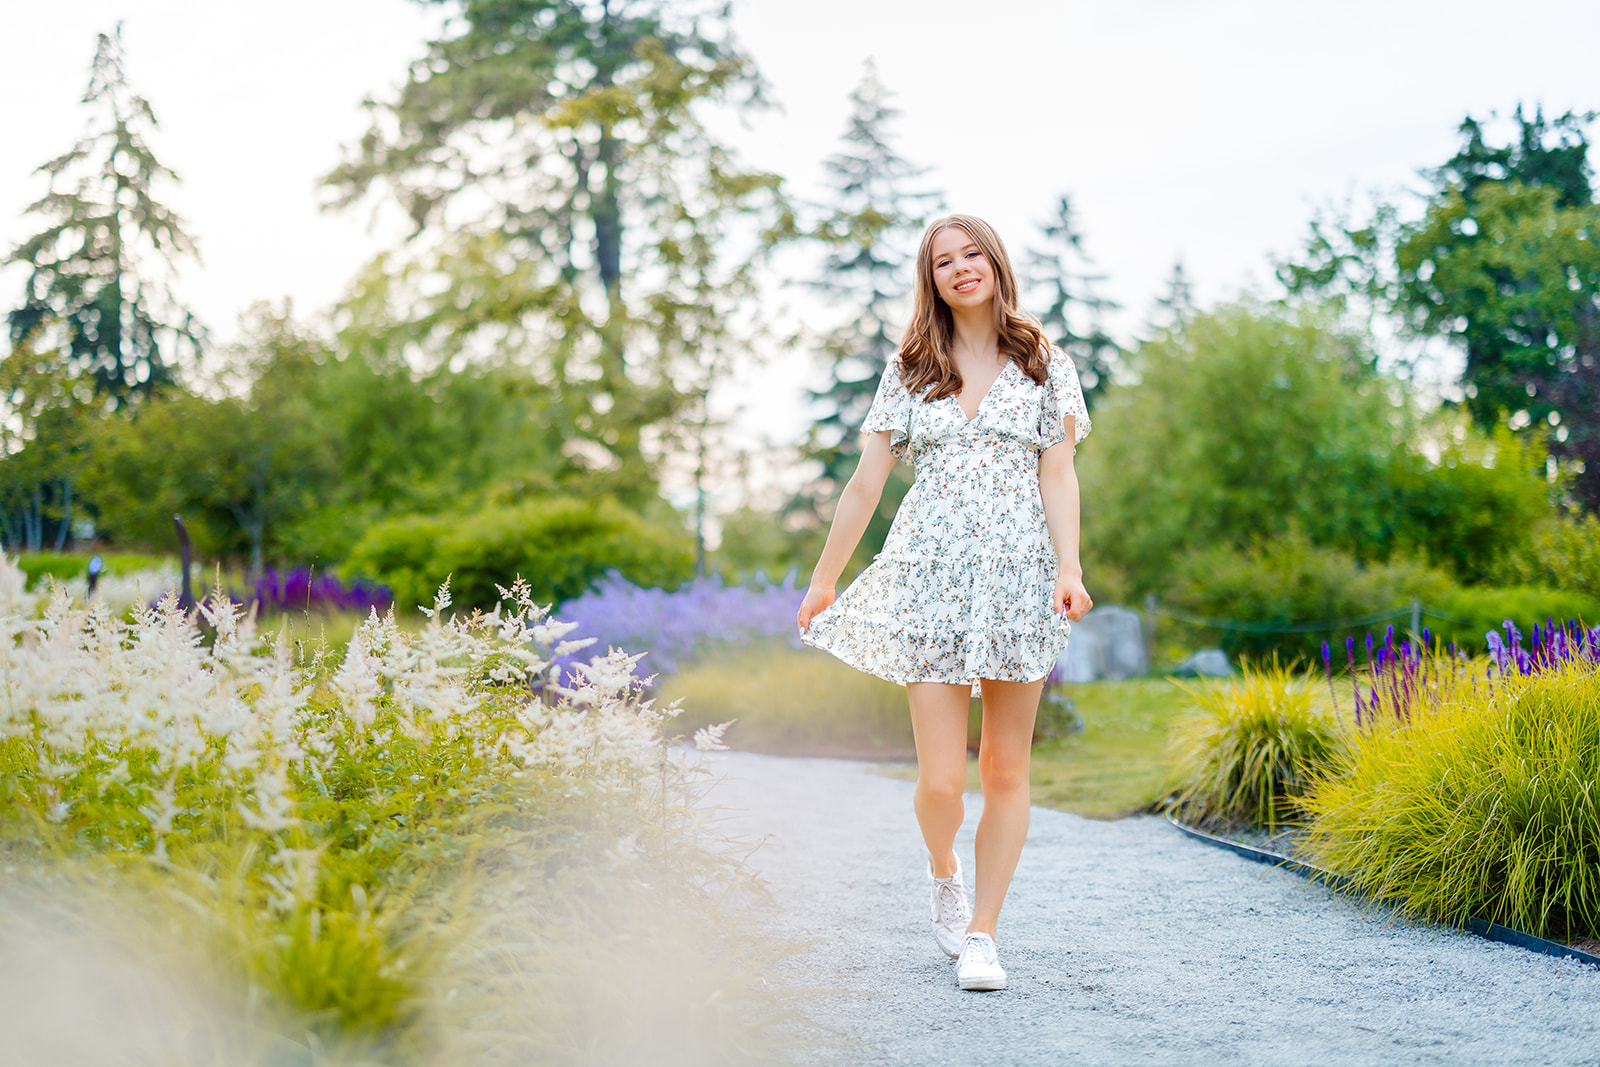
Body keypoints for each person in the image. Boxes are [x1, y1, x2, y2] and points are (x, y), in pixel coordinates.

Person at [796, 213, 1092, 992]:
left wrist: (1070, 564)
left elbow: (1058, 473)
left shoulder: (1043, 361)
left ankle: (983, 934)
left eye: (972, 254)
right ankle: (942, 869)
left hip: (1019, 581)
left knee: (1004, 766)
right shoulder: (911, 366)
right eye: (943, 261)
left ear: (994, 261)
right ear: (930, 279)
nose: (961, 268)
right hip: (927, 583)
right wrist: (826, 577)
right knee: (938, 783)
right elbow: (866, 483)